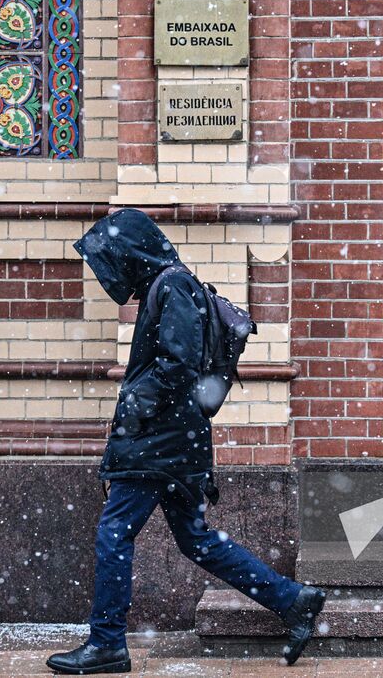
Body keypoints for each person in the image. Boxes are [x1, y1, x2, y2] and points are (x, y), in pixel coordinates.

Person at [46, 209, 325, 675]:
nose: (109, 273)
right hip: (177, 441)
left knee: (114, 535)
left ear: (129, 253)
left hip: (160, 443)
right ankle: (293, 600)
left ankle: (108, 643)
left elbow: (178, 365)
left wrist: (133, 409)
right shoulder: (171, 284)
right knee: (195, 539)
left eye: (111, 260)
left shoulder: (172, 286)